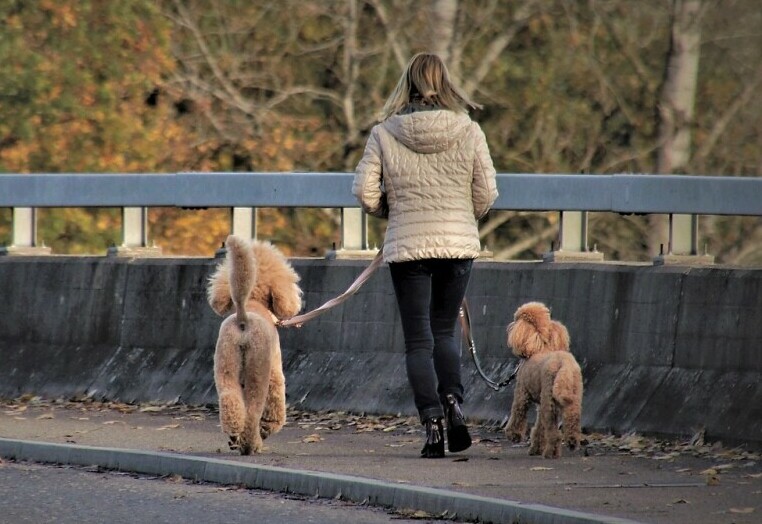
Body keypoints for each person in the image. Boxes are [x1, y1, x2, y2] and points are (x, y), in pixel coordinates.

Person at [353, 52, 498, 458]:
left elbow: (364, 194)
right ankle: (454, 403)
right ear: (445, 83)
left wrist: (392, 210)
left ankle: (432, 423)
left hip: (409, 247)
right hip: (456, 245)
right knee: (445, 331)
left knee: (418, 340)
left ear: (408, 84)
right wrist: (460, 213)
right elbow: (486, 195)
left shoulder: (384, 133)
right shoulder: (469, 130)